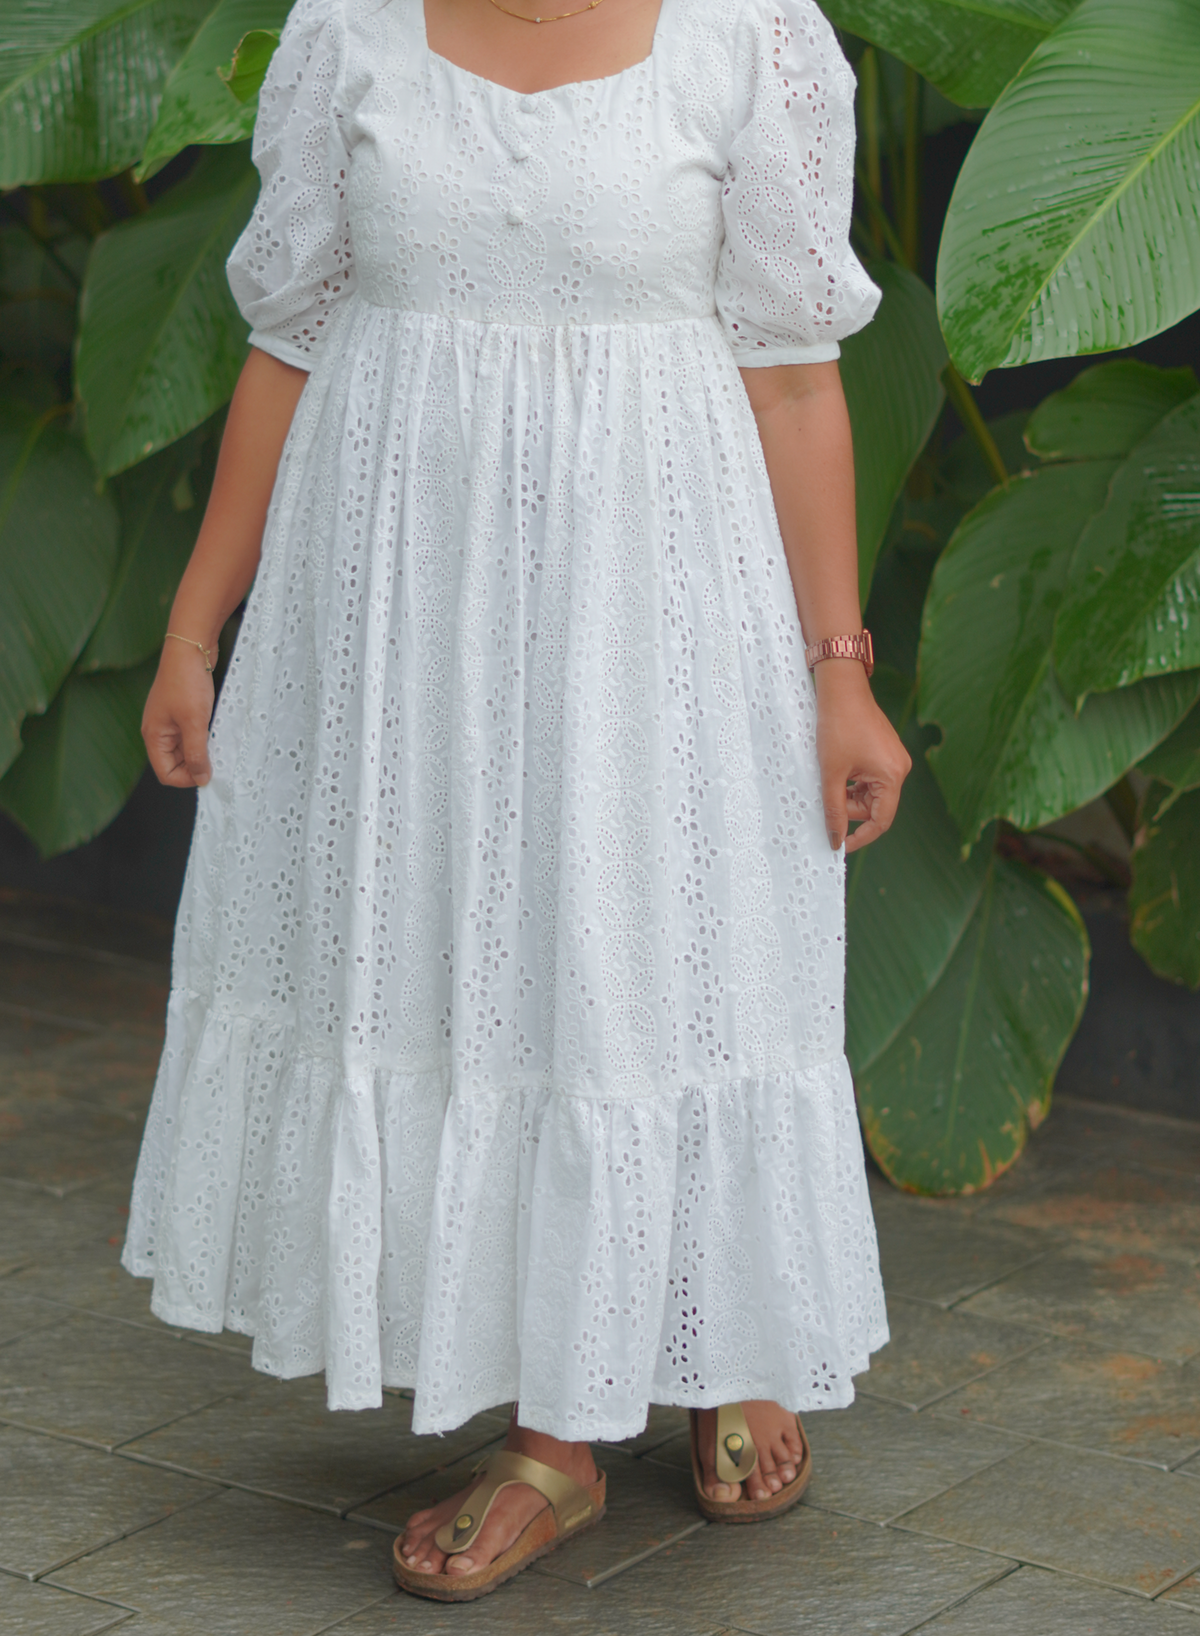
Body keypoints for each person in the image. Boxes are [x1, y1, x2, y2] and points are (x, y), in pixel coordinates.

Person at [124, 0, 911, 1604]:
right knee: (478, 985)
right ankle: (560, 1437)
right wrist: (196, 630)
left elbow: (793, 380)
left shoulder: (745, 38)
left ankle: (710, 1335)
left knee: (650, 967)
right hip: (410, 626)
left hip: (655, 611)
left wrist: (841, 669)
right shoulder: (347, 30)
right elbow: (289, 348)